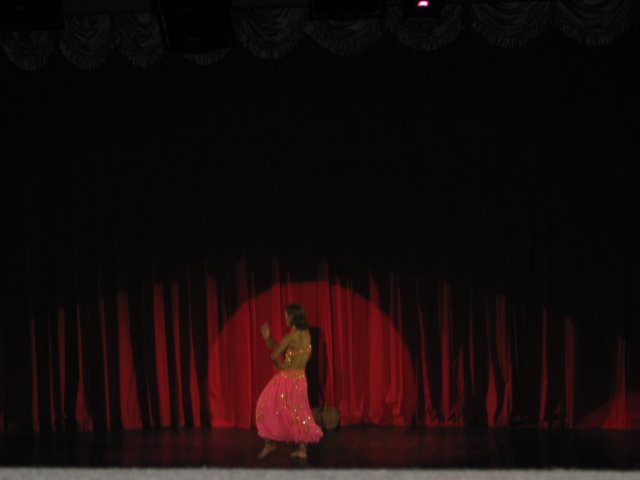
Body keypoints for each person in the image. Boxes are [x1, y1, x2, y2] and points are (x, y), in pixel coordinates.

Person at [256, 303, 323, 460]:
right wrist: (269, 339)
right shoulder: (306, 334)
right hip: (301, 379)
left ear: (292, 317)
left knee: (264, 405)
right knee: (298, 413)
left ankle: (269, 444)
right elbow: (283, 348)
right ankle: (302, 450)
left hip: (287, 379)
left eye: (286, 316)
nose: (285, 318)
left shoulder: (291, 337)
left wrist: (280, 367)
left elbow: (274, 355)